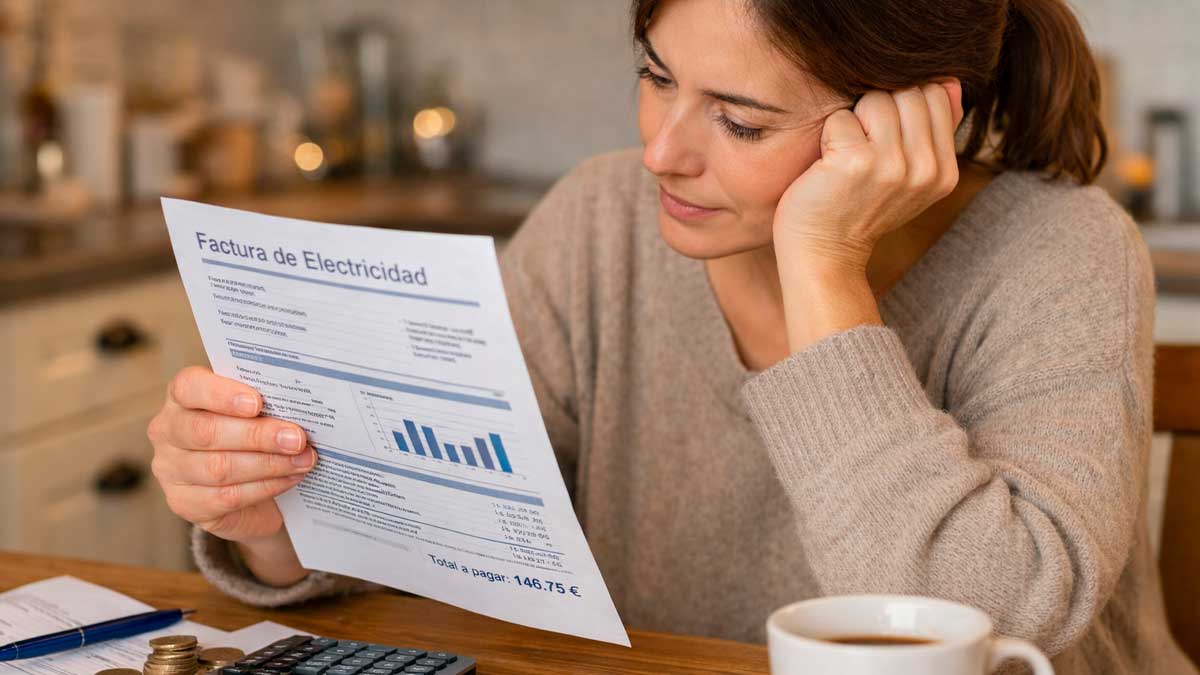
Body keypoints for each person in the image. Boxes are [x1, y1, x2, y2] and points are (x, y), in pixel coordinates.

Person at [147, 0, 1197, 671]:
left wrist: (821, 270)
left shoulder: (1061, 252)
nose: (661, 149)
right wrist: (275, 513)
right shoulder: (602, 220)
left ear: (907, 126)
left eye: (739, 121)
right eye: (656, 76)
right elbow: (434, 526)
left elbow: (982, 623)